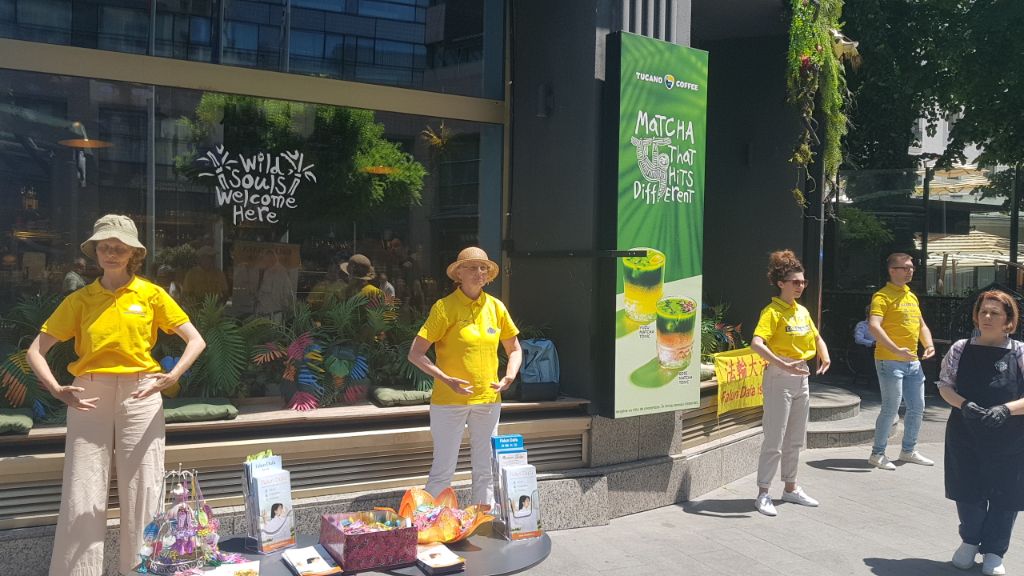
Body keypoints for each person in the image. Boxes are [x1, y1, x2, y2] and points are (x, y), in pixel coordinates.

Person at [25, 214, 206, 576]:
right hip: (88, 395)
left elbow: (195, 340)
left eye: (119, 247)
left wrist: (170, 377)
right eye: (104, 246)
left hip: (141, 394)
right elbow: (35, 351)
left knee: (145, 489)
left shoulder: (151, 295)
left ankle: (141, 571)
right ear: (95, 251)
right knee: (82, 491)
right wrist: (58, 390)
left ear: (133, 254)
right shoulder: (80, 299)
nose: (111, 252)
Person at [408, 247, 522, 507]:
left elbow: (515, 349)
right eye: (471, 267)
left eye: (483, 268)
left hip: (488, 400)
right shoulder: (444, 308)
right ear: (458, 273)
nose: (478, 272)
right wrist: (446, 379)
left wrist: (509, 375)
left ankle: (483, 520)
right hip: (449, 402)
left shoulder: (496, 307)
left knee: (486, 470)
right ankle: (429, 523)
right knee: (443, 471)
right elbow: (415, 353)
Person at [937, 290, 1024, 576]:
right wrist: (964, 404)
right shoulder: (960, 349)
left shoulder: (1020, 352)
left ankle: (995, 551)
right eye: (983, 311)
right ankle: (970, 540)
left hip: (1009, 438)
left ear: (1009, 321)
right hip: (965, 433)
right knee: (967, 488)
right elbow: (945, 386)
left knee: (1005, 493)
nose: (987, 317)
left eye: (995, 313)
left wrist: (1006, 409)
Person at [750, 250, 830, 517]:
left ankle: (790, 487)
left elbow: (816, 337)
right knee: (775, 437)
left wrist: (824, 354)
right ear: (780, 283)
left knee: (796, 437)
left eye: (803, 282)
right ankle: (763, 492)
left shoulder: (801, 311)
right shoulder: (772, 312)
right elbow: (757, 343)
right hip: (780, 376)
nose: (800, 286)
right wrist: (781, 364)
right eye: (795, 282)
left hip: (801, 374)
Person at [867, 252, 936, 470]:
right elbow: (873, 326)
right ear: (892, 270)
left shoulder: (911, 296)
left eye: (911, 267)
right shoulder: (882, 296)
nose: (910, 271)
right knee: (891, 408)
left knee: (917, 407)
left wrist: (929, 345)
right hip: (889, 361)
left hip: (912, 362)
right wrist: (896, 349)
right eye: (905, 267)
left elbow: (921, 325)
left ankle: (908, 450)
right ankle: (877, 454)